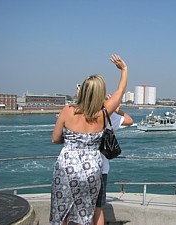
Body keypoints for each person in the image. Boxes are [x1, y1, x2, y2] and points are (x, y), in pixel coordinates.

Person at [49, 54, 128, 225]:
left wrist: (71, 141)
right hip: (92, 169)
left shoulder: (68, 110)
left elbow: (55, 138)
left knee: (63, 210)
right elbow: (120, 92)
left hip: (66, 166)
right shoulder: (104, 114)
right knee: (88, 211)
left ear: (82, 90)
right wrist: (124, 69)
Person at [93, 105, 133, 225]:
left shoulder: (81, 114)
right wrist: (116, 109)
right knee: (97, 209)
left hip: (81, 166)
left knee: (83, 209)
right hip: (101, 167)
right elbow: (129, 120)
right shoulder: (108, 115)